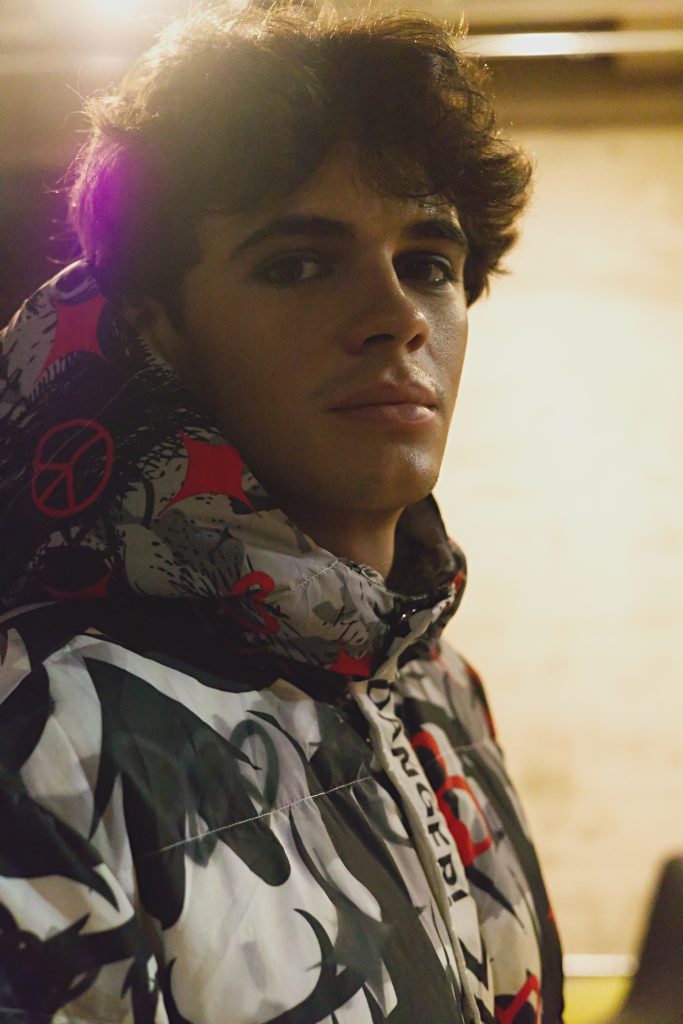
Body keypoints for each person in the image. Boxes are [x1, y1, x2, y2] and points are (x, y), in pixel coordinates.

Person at [0, 2, 564, 1021]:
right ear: (157, 328)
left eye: (428, 265)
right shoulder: (43, 722)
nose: (396, 316)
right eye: (297, 263)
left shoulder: (440, 684)